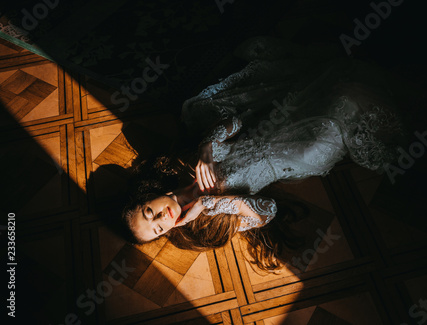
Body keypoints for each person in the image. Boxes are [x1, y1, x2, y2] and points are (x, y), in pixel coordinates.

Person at [121, 36, 407, 271]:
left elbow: (236, 122)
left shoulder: (184, 165)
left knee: (332, 81)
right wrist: (209, 204)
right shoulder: (207, 225)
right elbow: (268, 210)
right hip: (298, 154)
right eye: (158, 228)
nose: (161, 218)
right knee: (346, 99)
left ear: (148, 195)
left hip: (273, 123)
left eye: (149, 212)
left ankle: (389, 55)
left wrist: (206, 148)